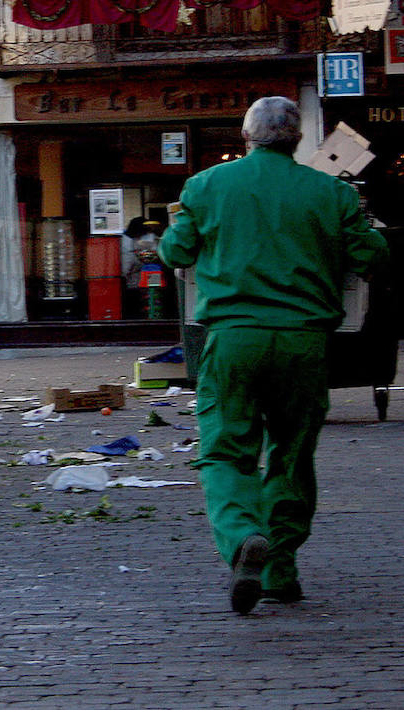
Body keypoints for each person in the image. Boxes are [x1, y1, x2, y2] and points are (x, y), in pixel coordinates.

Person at [158, 96, 389, 614]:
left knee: (225, 451)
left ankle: (242, 537)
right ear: (297, 140)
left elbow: (175, 253)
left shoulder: (205, 186)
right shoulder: (331, 191)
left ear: (247, 137)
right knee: (292, 453)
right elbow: (370, 256)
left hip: (234, 338)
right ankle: (280, 569)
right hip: (305, 341)